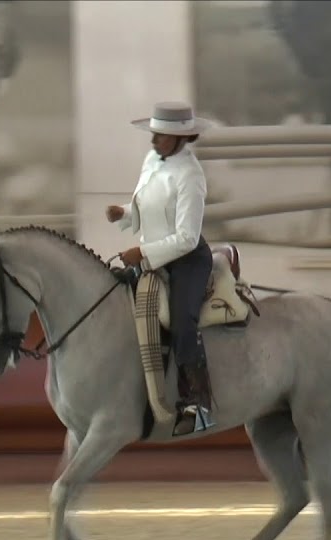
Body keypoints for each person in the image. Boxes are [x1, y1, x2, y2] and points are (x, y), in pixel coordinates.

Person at [107, 101, 217, 436]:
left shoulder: (192, 178)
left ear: (182, 138)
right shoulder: (153, 160)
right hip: (151, 252)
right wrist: (125, 214)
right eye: (154, 134)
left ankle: (199, 404)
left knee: (183, 321)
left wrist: (141, 252)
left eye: (161, 135)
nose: (154, 140)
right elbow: (151, 206)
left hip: (186, 260)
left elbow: (186, 237)